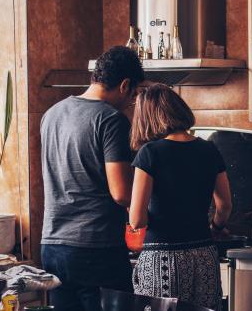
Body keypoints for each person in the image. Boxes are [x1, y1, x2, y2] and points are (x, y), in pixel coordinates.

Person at [40, 46, 144, 311]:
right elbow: (121, 193)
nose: (130, 102)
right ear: (124, 85)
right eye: (133, 95)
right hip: (95, 248)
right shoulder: (111, 120)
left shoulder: (51, 115)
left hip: (52, 246)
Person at [128, 84, 232, 310]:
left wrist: (136, 211)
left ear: (147, 117)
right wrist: (215, 228)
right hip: (204, 254)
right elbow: (224, 205)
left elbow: (137, 220)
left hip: (162, 258)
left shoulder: (150, 153)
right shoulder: (209, 149)